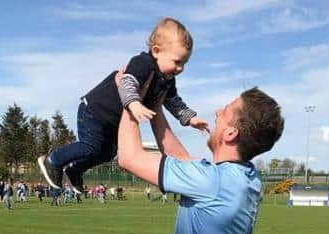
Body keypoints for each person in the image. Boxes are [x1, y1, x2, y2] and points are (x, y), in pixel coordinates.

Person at [117, 86, 284, 234]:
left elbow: (129, 157)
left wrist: (131, 99)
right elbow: (183, 162)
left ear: (231, 133)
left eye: (225, 111)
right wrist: (156, 108)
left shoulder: (211, 181)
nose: (217, 112)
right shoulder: (246, 178)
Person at [37, 17, 208, 195]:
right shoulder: (143, 63)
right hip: (95, 112)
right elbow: (127, 82)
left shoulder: (167, 80)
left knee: (108, 153)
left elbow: (173, 101)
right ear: (156, 51)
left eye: (184, 63)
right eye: (177, 61)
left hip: (112, 122)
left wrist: (191, 119)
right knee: (92, 146)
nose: (180, 68)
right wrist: (133, 103)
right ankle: (53, 159)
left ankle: (75, 169)